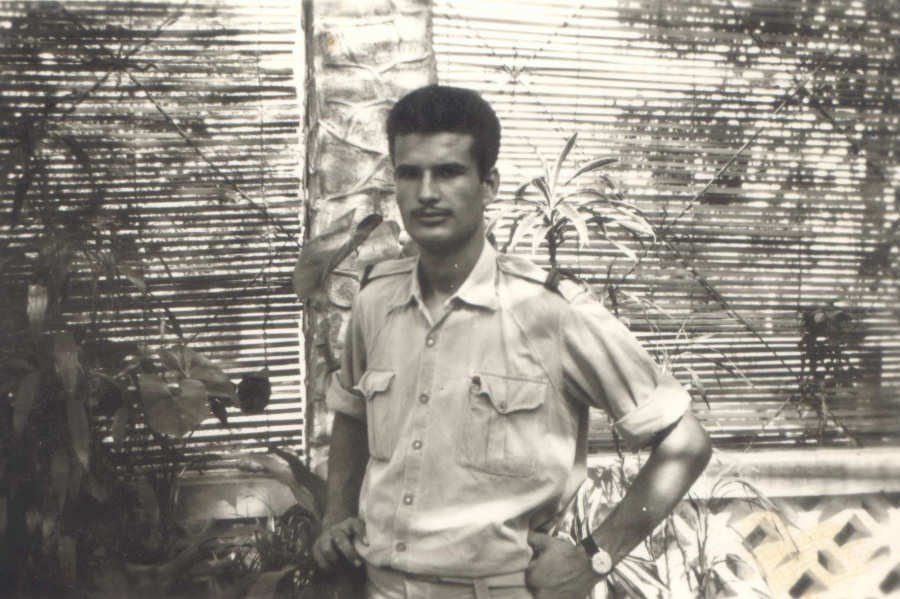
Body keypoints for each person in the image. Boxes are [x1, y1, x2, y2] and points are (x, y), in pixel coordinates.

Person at [311, 84, 712, 599]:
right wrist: (336, 516)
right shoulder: (375, 300)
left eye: (449, 172)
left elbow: (685, 441)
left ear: (489, 185)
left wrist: (597, 556)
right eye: (410, 173)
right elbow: (352, 414)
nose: (426, 193)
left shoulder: (550, 312)